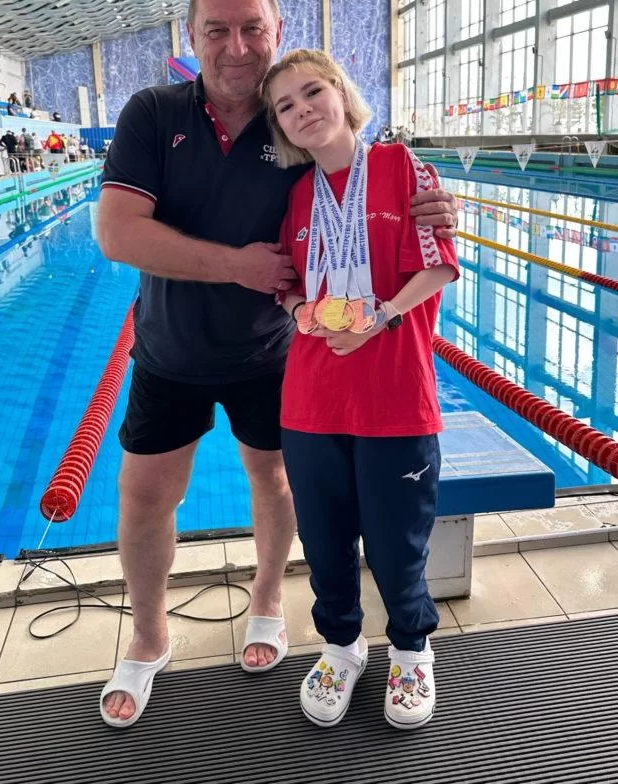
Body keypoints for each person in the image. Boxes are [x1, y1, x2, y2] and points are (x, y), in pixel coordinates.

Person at [96, 0, 459, 729]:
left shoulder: (293, 123)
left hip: (276, 356)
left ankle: (269, 603)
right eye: (217, 30)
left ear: (278, 32)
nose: (236, 46)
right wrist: (246, 271)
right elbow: (117, 234)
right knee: (147, 495)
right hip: (173, 347)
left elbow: (375, 195)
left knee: (280, 485)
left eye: (252, 28)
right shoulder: (154, 111)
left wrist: (430, 203)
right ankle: (149, 636)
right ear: (191, 38)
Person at [263, 49, 457, 729]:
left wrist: (384, 316)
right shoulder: (297, 196)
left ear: (342, 93)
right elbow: (288, 283)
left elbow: (439, 265)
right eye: (285, 106)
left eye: (312, 92)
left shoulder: (404, 169)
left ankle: (411, 650)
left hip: (395, 398)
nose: (302, 110)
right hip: (311, 402)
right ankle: (342, 646)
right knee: (324, 544)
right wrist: (299, 311)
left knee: (397, 546)